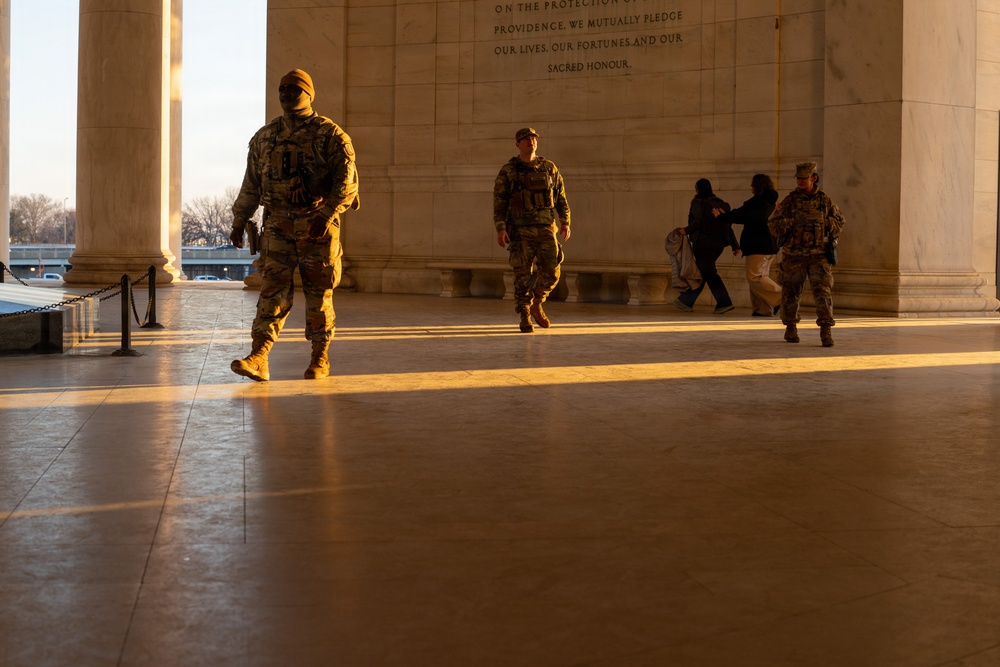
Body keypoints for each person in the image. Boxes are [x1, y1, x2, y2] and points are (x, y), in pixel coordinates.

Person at [228, 68, 360, 381]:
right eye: (282, 89)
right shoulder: (265, 136)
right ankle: (259, 355)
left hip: (317, 226)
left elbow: (347, 184)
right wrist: (239, 218)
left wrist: (326, 214)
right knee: (271, 291)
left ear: (309, 93)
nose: (287, 94)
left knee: (319, 294)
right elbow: (251, 183)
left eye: (294, 89)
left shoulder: (330, 134)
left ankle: (320, 357)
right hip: (277, 227)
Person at [493, 127, 571, 333]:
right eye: (526, 139)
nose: (531, 141)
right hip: (520, 229)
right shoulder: (508, 171)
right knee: (522, 274)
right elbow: (499, 203)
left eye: (534, 138)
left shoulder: (549, 168)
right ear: (518, 144)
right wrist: (501, 228)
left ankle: (538, 301)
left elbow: (560, 197)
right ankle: (525, 313)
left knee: (553, 271)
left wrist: (565, 221)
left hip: (546, 227)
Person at [768, 162, 846, 347]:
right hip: (794, 256)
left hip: (819, 256)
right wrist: (790, 223)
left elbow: (840, 222)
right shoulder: (790, 201)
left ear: (814, 178)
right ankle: (791, 327)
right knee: (791, 293)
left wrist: (826, 223)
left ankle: (826, 330)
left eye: (804, 178)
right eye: (799, 178)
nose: (801, 181)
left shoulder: (824, 201)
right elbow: (773, 224)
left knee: (823, 293)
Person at [711, 174, 781, 316]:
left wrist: (721, 216)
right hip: (770, 244)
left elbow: (740, 215)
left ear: (757, 186)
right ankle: (762, 309)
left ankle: (782, 297)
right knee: (760, 277)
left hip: (758, 245)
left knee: (755, 278)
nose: (751, 187)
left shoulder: (757, 203)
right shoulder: (770, 202)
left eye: (753, 184)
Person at [673, 178, 739, 314]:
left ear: (697, 190)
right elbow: (728, 225)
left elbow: (697, 221)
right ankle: (686, 300)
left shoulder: (698, 202)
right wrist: (734, 245)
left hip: (703, 243)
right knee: (703, 271)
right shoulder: (720, 204)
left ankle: (724, 302)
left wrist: (685, 230)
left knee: (709, 273)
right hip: (719, 244)